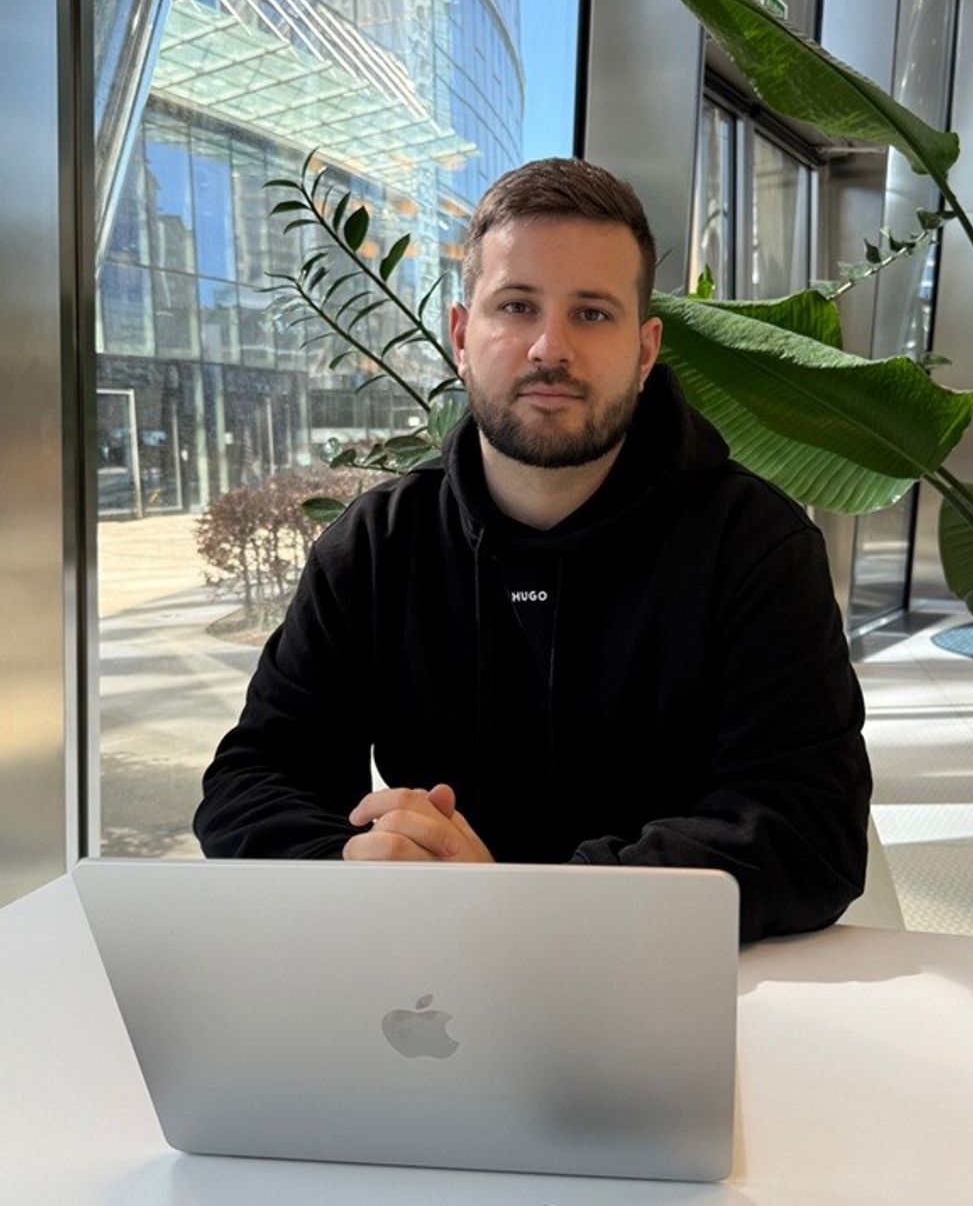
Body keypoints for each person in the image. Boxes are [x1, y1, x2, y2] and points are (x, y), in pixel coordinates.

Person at [193, 157, 872, 943]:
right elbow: (251, 782)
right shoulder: (378, 545)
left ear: (646, 351)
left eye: (592, 314)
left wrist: (533, 904)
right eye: (516, 306)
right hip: (430, 977)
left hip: (659, 977)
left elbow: (807, 829)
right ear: (460, 335)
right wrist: (354, 860)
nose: (550, 347)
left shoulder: (755, 547)